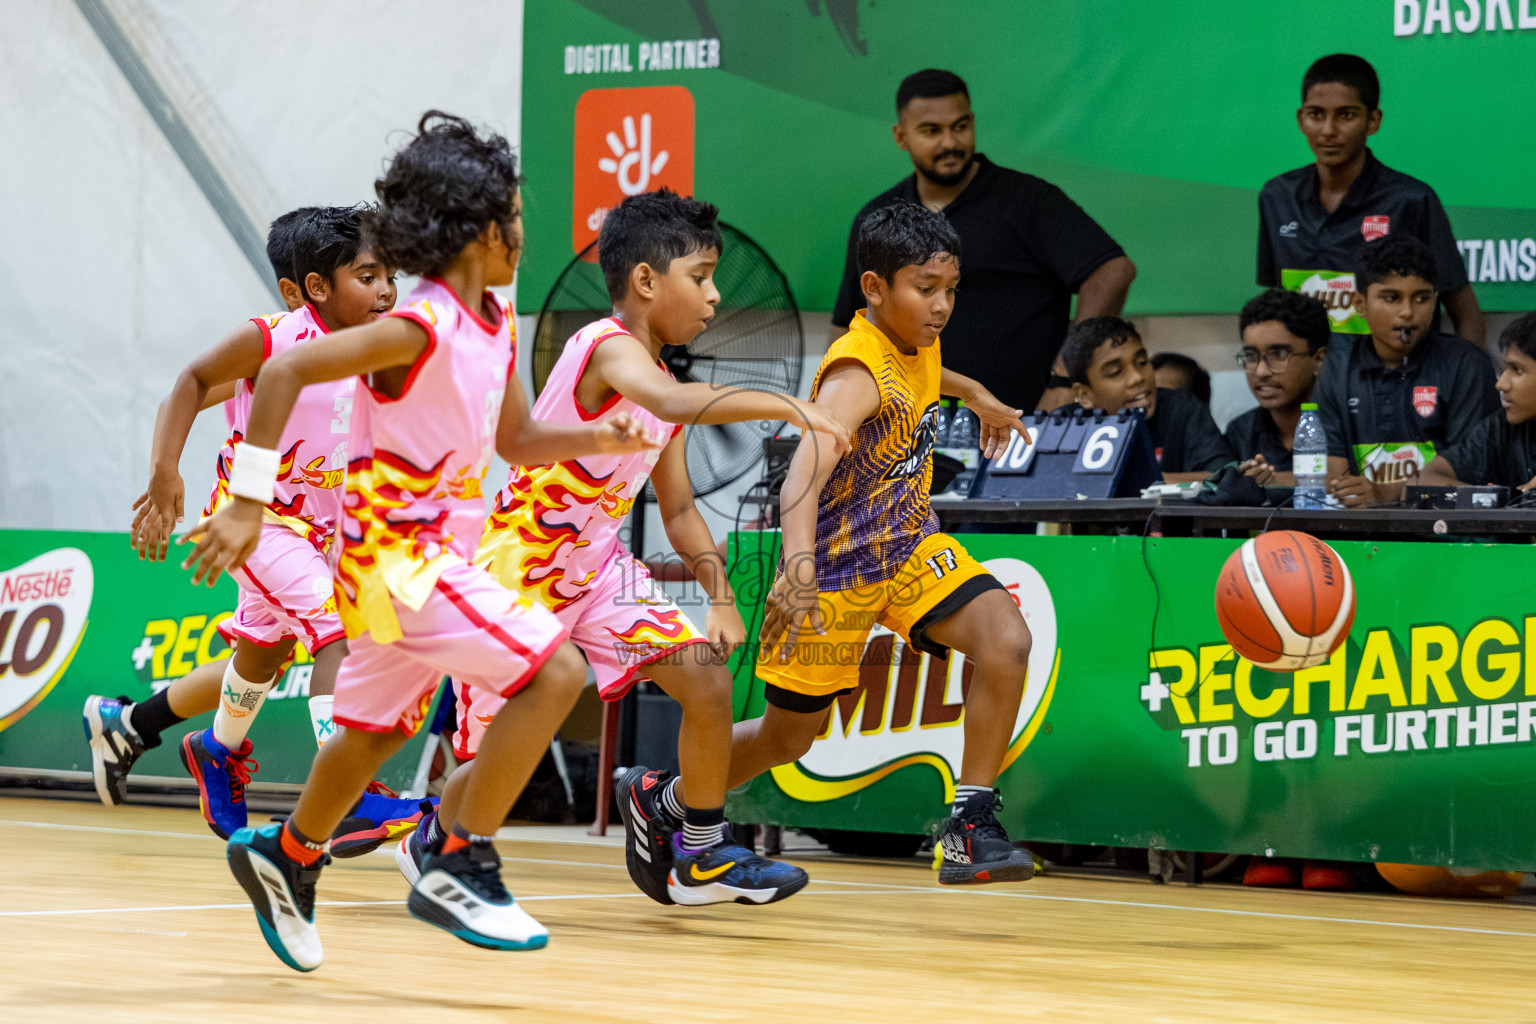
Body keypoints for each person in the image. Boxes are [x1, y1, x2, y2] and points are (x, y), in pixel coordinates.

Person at [184, 111, 665, 971]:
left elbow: (515, 440)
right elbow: (287, 369)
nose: (525, 230)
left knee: (367, 736)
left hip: (406, 568)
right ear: (483, 229)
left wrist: (597, 441)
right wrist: (248, 507)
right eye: (516, 214)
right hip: (396, 563)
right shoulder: (421, 327)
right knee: (554, 671)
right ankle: (455, 852)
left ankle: (287, 855)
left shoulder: (494, 319)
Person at [412, 189, 848, 908]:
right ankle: (435, 840)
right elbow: (675, 403)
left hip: (598, 568)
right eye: (701, 277)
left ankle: (699, 854)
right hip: (519, 572)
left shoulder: (661, 380)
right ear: (646, 282)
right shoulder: (605, 347)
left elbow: (677, 509)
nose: (713, 297)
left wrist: (720, 595)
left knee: (707, 678)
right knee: (502, 755)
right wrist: (790, 401)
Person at [632, 202, 1037, 893]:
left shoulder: (914, 336)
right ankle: (664, 800)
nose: (941, 307)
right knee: (790, 737)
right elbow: (803, 471)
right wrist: (799, 566)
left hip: (908, 550)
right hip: (836, 571)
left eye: (950, 289)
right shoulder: (854, 374)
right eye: (925, 289)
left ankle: (970, 825)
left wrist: (977, 396)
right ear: (875, 289)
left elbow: (927, 375)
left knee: (1006, 639)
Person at [84, 206, 426, 854]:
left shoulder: (383, 345)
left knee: (264, 654)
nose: (386, 289)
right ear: (315, 289)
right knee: (337, 631)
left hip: (328, 527)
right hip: (257, 521)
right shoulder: (273, 340)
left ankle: (216, 748)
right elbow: (188, 382)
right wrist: (165, 473)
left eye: (390, 275)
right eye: (369, 274)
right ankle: (352, 792)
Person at [831, 68, 1135, 414]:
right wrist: (835, 409)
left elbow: (1113, 270)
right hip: (908, 430)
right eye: (931, 131)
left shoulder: (1026, 201)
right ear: (901, 137)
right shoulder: (880, 218)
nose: (950, 143)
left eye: (960, 126)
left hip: (1021, 425)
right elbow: (847, 325)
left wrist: (1065, 378)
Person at [1257, 53, 1483, 346]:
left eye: (1346, 115)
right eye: (1316, 115)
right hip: (1311, 386)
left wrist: (1467, 385)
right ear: (1301, 120)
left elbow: (1466, 315)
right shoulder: (1277, 197)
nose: (1328, 130)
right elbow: (1275, 308)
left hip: (1394, 384)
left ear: (1373, 120)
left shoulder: (1412, 201)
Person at [1314, 237, 1497, 508]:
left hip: (1447, 536)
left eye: (1421, 298)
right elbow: (1331, 479)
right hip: (1362, 534)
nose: (1408, 312)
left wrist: (1384, 493)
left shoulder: (1466, 365)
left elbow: (1474, 481)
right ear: (1360, 303)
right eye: (1391, 298)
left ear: (1435, 301)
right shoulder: (1338, 368)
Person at [1060, 317, 1232, 482]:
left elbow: (1227, 476)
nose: (1137, 378)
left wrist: (1141, 482)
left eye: (1142, 362)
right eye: (1115, 372)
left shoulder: (1182, 409)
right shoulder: (1064, 425)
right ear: (1084, 394)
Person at [1226, 289, 1331, 487]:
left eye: (1278, 355)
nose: (1261, 371)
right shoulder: (1240, 432)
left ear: (1319, 360)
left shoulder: (1346, 425)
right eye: (1250, 356)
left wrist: (1277, 481)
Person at [1421, 313, 1536, 492]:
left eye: (1517, 370)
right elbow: (1424, 479)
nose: (1501, 384)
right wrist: (1491, 499)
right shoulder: (1500, 428)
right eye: (1505, 368)